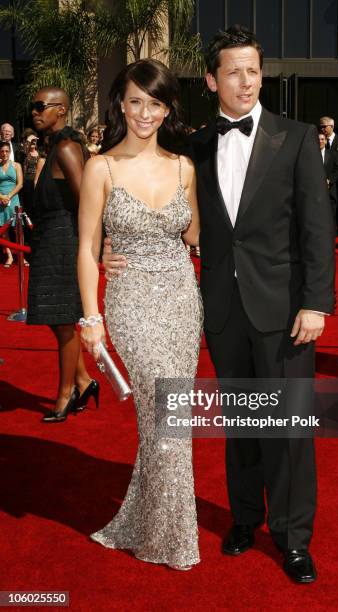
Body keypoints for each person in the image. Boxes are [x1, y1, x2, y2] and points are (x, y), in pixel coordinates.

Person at [103, 26, 335, 583]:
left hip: (284, 311)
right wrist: (113, 244)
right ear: (212, 80)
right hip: (221, 309)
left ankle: (293, 536)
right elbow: (156, 199)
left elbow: (317, 229)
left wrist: (316, 304)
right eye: (233, 71)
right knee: (241, 425)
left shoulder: (297, 138)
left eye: (253, 70)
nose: (246, 80)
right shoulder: (197, 147)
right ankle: (245, 519)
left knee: (290, 429)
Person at [77, 59, 202, 570]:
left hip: (181, 299)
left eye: (154, 103)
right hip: (130, 301)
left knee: (166, 421)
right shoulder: (100, 167)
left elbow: (195, 237)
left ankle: (140, 523)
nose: (144, 113)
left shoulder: (184, 166)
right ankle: (174, 540)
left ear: (167, 106)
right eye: (135, 101)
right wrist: (91, 317)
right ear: (120, 105)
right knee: (168, 414)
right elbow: (87, 247)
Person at [26, 87, 97, 422]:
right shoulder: (51, 148)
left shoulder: (67, 148)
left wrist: (93, 247)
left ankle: (66, 393)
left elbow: (87, 200)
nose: (35, 112)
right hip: (49, 241)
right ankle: (83, 381)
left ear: (63, 110)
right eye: (34, 107)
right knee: (56, 321)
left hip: (64, 242)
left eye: (42, 106)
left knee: (64, 323)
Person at [0, 141, 23, 267]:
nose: (4, 153)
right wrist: (2, 197)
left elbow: (20, 184)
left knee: (17, 229)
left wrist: (8, 196)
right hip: (0, 200)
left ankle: (21, 255)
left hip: (13, 199)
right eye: (2, 151)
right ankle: (9, 256)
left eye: (6, 151)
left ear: (10, 152)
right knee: (3, 229)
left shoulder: (16, 165)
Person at [319, 132, 338, 216]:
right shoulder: (310, 155)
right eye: (318, 139)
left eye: (322, 139)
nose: (320, 141)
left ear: (325, 141)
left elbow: (337, 170)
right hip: (315, 192)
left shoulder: (333, 154)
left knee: (331, 216)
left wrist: (330, 180)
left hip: (330, 191)